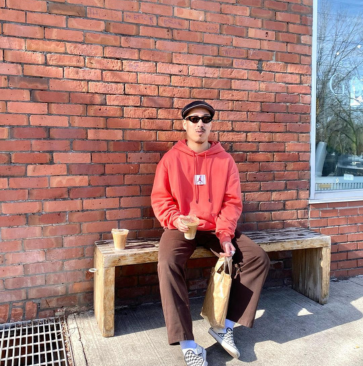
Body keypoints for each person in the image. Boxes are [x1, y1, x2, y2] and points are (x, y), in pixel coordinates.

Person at [151, 101, 270, 366]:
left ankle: (223, 326)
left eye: (205, 118)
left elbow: (232, 201)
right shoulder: (171, 159)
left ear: (211, 124)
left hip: (217, 227)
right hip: (181, 227)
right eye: (193, 119)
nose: (200, 123)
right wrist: (174, 218)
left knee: (257, 258)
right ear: (185, 124)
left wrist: (226, 234)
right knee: (168, 263)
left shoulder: (224, 160)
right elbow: (160, 198)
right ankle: (188, 344)